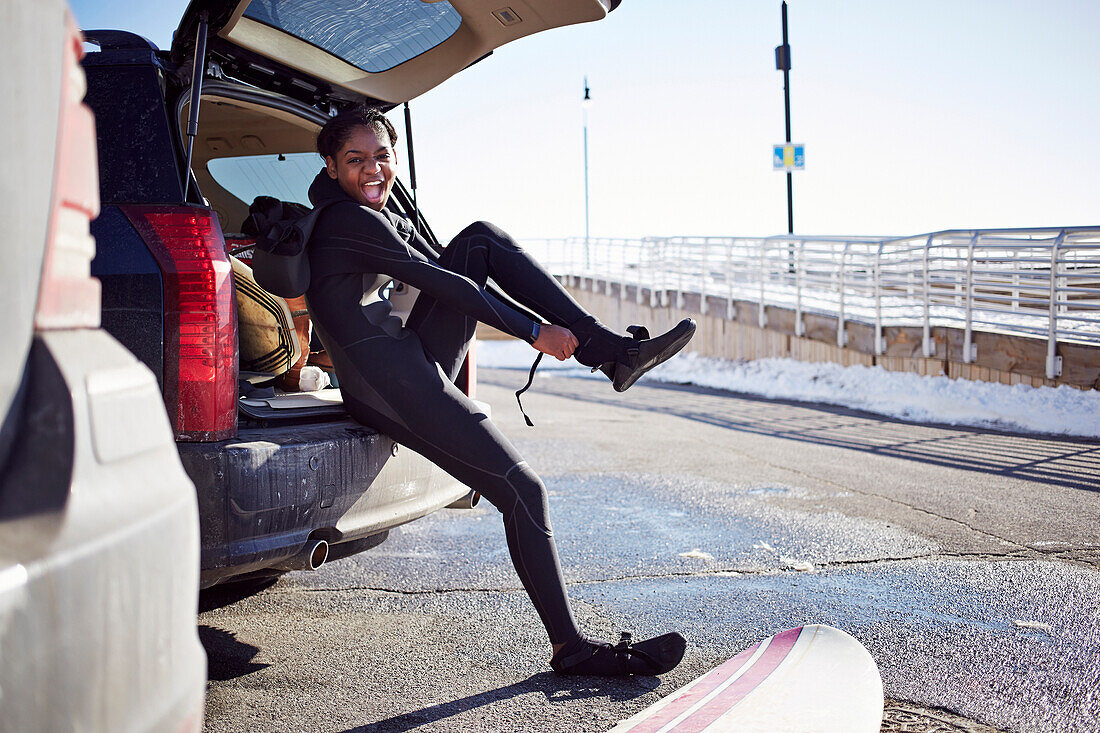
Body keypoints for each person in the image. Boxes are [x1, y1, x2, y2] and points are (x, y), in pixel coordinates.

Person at [304, 106, 696, 676]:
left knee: (480, 241)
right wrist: (536, 331)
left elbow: (447, 267)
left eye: (382, 156)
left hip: (399, 362)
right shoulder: (349, 220)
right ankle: (571, 648)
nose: (373, 169)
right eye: (356, 160)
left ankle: (613, 353)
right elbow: (442, 284)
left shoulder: (358, 212)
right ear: (332, 166)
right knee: (523, 491)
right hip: (389, 386)